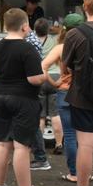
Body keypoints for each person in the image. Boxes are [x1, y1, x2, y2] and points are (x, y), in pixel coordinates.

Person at [0, 8, 53, 186]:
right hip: (23, 100)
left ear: (6, 26)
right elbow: (33, 79)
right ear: (25, 27)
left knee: (1, 144)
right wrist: (44, 75)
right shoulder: (27, 49)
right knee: (21, 146)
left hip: (0, 98)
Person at [42, 13, 85, 184]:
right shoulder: (86, 44)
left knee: (69, 136)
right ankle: (84, 173)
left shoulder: (60, 48)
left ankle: (74, 173)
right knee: (85, 137)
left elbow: (42, 66)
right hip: (83, 94)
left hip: (64, 92)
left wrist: (55, 82)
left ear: (64, 29)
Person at [62, 0, 93, 186]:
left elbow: (65, 65)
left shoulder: (75, 34)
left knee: (85, 145)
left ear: (85, 8)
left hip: (83, 96)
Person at [35, 18, 63, 155]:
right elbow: (62, 30)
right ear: (48, 29)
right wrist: (53, 29)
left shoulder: (33, 41)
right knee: (55, 113)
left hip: (40, 77)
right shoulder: (54, 40)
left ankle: (40, 147)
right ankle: (58, 144)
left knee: (41, 116)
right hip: (55, 77)